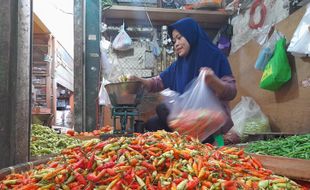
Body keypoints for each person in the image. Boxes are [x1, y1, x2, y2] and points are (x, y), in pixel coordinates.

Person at [130, 18, 237, 144]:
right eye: (174, 40)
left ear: (191, 35)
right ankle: (183, 143)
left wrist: (213, 81)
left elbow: (232, 91)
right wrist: (140, 81)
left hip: (210, 123)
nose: (176, 43)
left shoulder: (216, 57)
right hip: (188, 121)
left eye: (180, 37)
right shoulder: (178, 65)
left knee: (166, 114)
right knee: (155, 121)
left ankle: (210, 141)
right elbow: (157, 82)